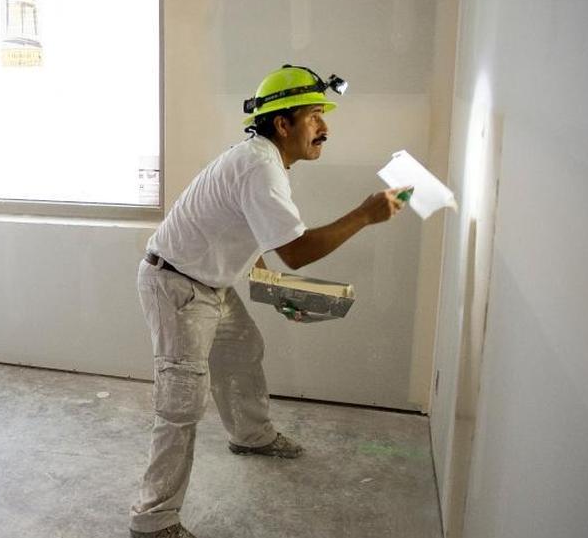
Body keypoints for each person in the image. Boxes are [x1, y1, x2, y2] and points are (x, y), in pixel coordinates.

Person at [129, 65, 411, 538]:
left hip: (207, 283)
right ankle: (152, 520)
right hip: (178, 287)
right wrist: (365, 214)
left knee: (243, 350)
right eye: (314, 115)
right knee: (182, 403)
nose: (325, 127)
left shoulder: (262, 159)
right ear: (283, 124)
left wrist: (267, 282)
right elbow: (296, 251)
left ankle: (250, 435)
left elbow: (251, 227)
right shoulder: (260, 166)